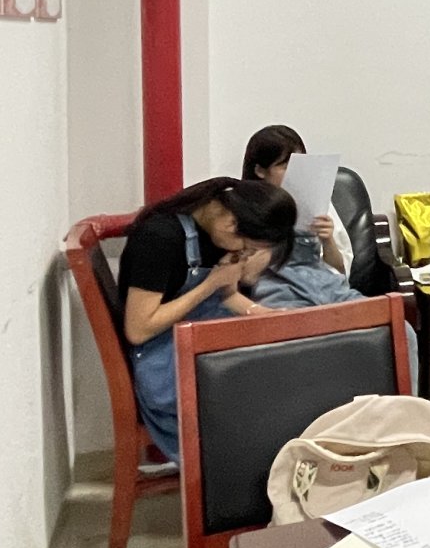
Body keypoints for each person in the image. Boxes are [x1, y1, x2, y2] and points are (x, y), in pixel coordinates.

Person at [119, 177, 296, 461]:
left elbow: (227, 296)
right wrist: (209, 284)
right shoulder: (159, 238)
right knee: (272, 394)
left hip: (200, 348)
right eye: (247, 247)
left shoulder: (216, 234)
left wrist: (269, 316)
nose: (243, 254)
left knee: (289, 366)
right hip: (164, 366)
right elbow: (139, 329)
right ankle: (245, 474)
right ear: (231, 224)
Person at [242, 124, 353, 274]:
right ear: (260, 171)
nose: (295, 172)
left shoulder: (316, 202)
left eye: (299, 164)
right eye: (285, 166)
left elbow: (340, 271)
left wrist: (328, 241)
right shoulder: (244, 208)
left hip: (319, 284)